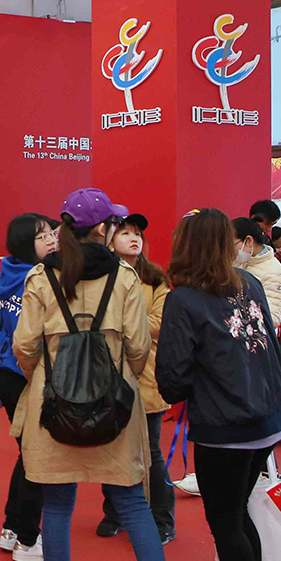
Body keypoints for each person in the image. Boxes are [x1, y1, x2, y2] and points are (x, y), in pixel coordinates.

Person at [11, 188, 183, 561]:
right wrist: (119, 376)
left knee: (57, 504)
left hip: (53, 404)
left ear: (65, 227)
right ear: (105, 229)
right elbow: (139, 347)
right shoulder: (125, 277)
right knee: (133, 502)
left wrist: (46, 378)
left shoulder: (42, 277)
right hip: (114, 405)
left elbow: (24, 346)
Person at [156, 208, 281, 561]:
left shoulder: (184, 299)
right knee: (237, 514)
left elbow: (172, 379)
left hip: (226, 425)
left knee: (226, 520)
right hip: (266, 416)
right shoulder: (248, 283)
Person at [94, 213, 175, 544]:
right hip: (108, 373)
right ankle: (114, 512)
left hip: (147, 375)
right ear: (110, 240)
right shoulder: (100, 275)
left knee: (150, 450)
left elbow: (159, 322)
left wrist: (122, 321)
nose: (133, 238)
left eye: (138, 234)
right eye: (125, 233)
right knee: (110, 445)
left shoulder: (155, 278)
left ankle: (162, 519)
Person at [0, 213, 56, 561]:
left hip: (7, 374)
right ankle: (28, 539)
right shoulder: (38, 279)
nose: (52, 240)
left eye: (52, 234)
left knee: (27, 453)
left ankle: (12, 528)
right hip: (27, 376)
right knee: (38, 457)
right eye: (43, 236)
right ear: (26, 243)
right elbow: (31, 340)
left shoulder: (8, 270)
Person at [232, 217, 281, 330]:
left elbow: (273, 318)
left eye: (232, 244)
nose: (229, 250)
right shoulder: (240, 262)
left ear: (249, 241)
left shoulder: (275, 273)